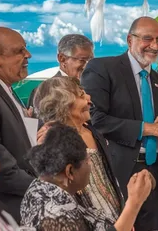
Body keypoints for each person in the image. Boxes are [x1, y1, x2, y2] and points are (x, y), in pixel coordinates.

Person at [81, 17, 158, 231]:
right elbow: (94, 118)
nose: (155, 45)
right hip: (117, 172)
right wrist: (148, 129)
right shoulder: (103, 68)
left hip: (155, 173)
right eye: (147, 38)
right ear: (130, 40)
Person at [20, 123, 152, 231]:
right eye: (88, 160)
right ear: (70, 171)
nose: (91, 165)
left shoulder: (43, 188)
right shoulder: (52, 209)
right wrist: (134, 203)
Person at [33, 77, 123, 223]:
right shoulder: (51, 140)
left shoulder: (91, 130)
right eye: (81, 95)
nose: (89, 98)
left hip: (114, 218)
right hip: (84, 225)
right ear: (64, 104)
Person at [0, 27, 36, 222]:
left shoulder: (8, 91)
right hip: (8, 210)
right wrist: (42, 189)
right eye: (19, 51)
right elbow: (1, 166)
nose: (28, 55)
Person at [27, 34, 94, 109]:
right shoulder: (43, 92)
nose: (87, 65)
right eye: (82, 60)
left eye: (91, 60)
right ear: (62, 59)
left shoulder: (97, 88)